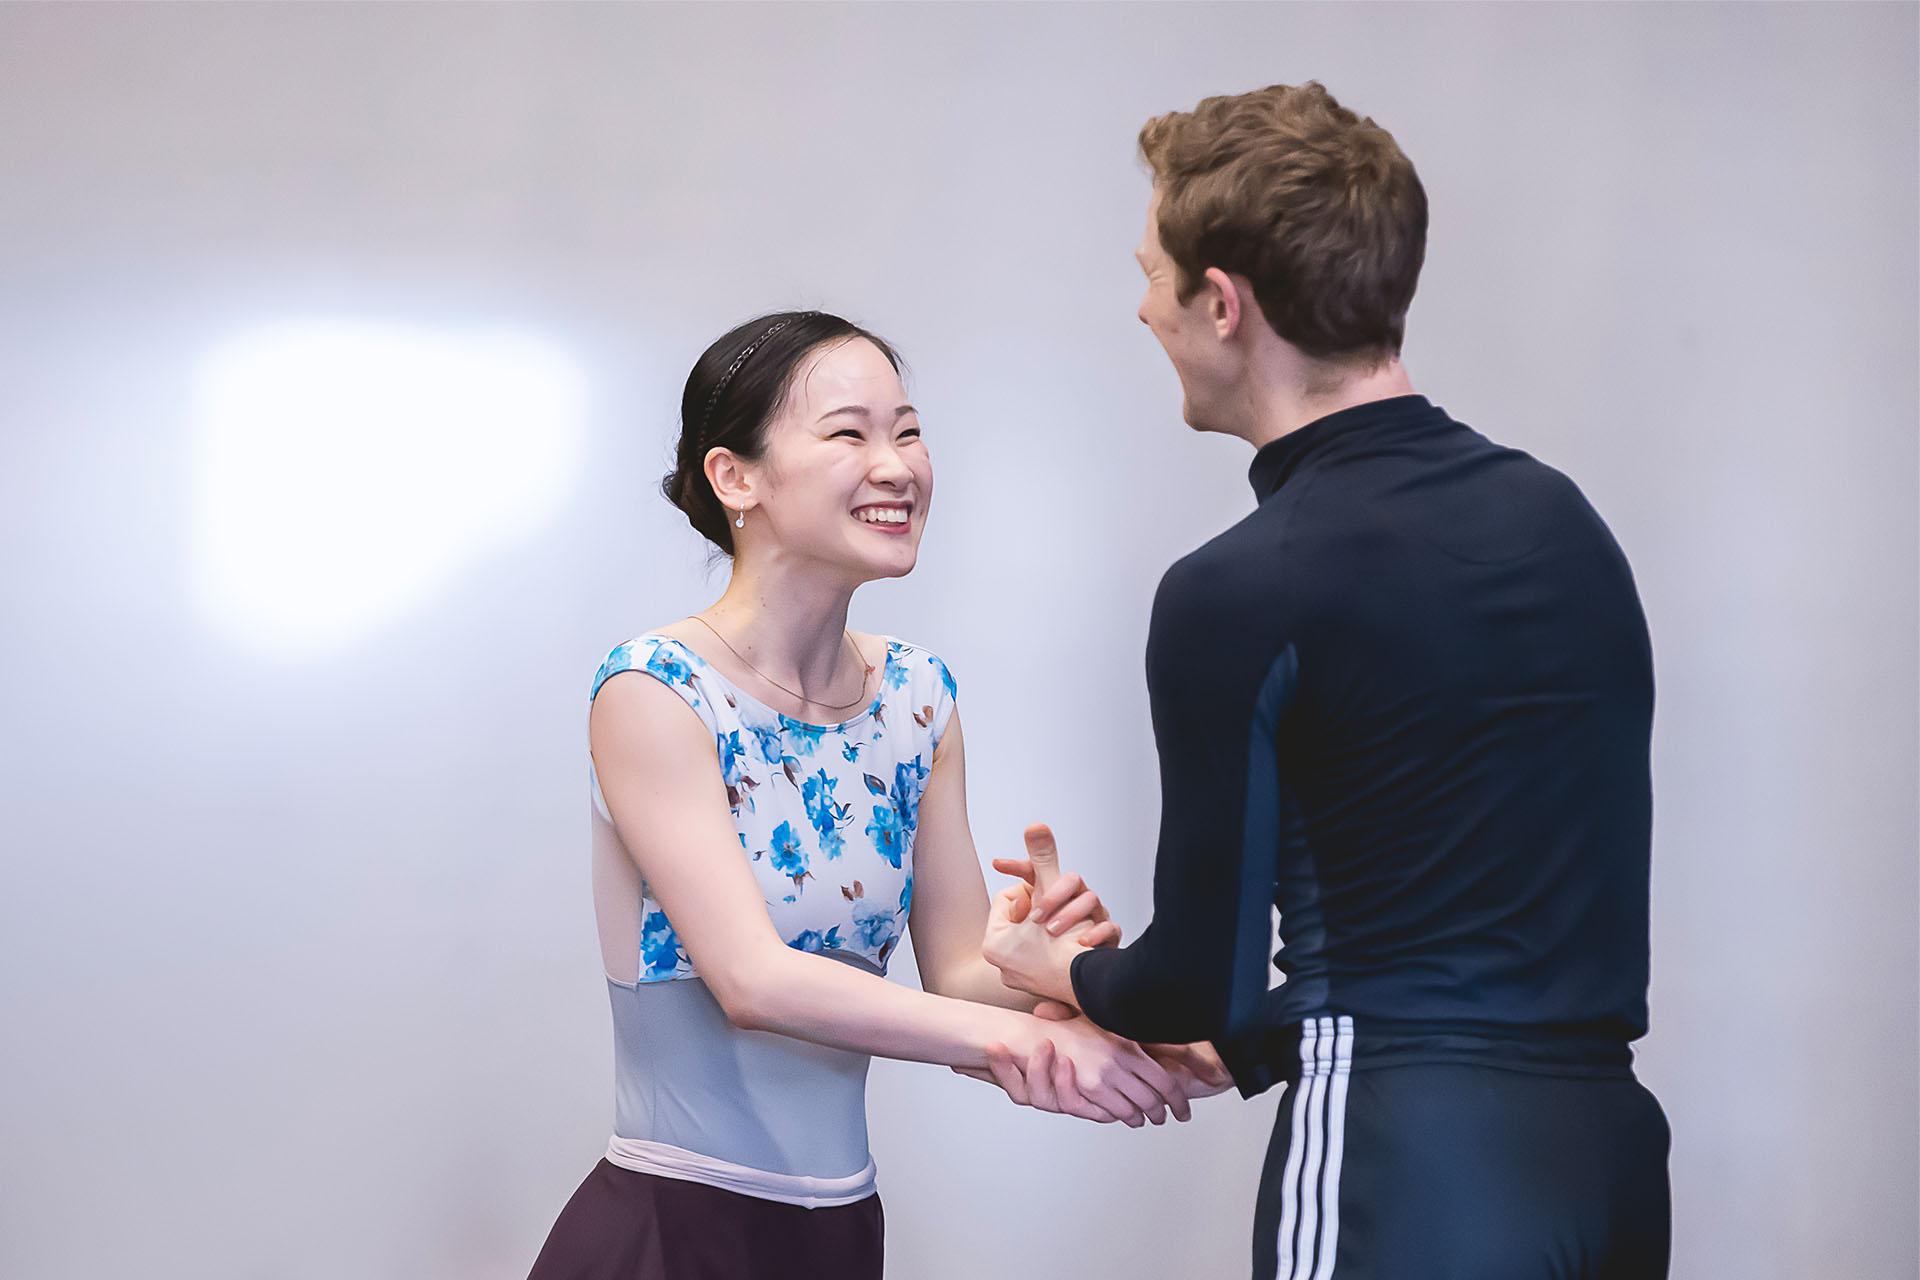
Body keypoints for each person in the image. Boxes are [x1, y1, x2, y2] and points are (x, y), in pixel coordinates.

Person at [982, 82, 1673, 1279]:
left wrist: (1063, 970)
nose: (1142, 310)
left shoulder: (1240, 585)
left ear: (1222, 301)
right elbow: (1474, 927)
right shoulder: (1563, 522)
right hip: (1607, 1160)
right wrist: (1250, 1045)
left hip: (1407, 1165)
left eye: (1151, 274)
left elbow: (1202, 975)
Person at [527, 310, 1201, 1280]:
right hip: (672, 1233)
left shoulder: (918, 698)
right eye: (850, 432)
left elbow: (961, 975)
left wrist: (1055, 973)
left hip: (839, 1235)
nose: (897, 465)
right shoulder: (654, 690)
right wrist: (1019, 1033)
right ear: (735, 477)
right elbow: (754, 980)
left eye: (909, 430)